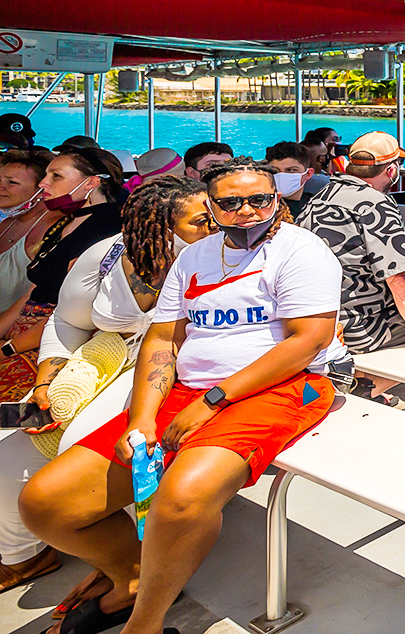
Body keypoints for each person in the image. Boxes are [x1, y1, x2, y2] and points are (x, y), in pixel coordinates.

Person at [19, 158, 345, 634]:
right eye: (231, 203)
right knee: (46, 504)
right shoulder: (194, 257)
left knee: (182, 495)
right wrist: (142, 418)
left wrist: (212, 400)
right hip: (189, 387)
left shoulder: (302, 252)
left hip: (284, 385)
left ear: (277, 199)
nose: (248, 211)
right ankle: (133, 579)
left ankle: (145, 624)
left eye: (260, 199)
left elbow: (308, 341)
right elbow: (162, 339)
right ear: (212, 207)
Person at [0, 175, 211, 592]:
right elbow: (66, 321)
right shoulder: (107, 256)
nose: (217, 226)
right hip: (105, 362)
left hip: (180, 373)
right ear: (160, 225)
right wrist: (47, 377)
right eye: (201, 221)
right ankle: (24, 556)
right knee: (7, 460)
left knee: (79, 449)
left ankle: (133, 564)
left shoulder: (225, 260)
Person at [0, 148, 127, 390]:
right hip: (25, 336)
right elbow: (33, 293)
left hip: (49, 341)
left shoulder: (106, 226)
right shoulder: (68, 221)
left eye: (55, 176)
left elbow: (72, 309)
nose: (43, 183)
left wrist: (10, 348)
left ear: (91, 182)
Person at [298, 132, 405, 357]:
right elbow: (401, 276)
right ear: (391, 171)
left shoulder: (320, 197)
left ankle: (376, 388)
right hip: (359, 330)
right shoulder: (375, 205)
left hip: (314, 324)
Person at [0, 150, 53, 309]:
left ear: (42, 190)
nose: (1, 186)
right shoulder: (7, 224)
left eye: (12, 182)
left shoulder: (49, 232)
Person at [263, 142, 327, 219]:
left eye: (291, 170)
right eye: (275, 171)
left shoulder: (318, 205)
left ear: (308, 174)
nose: (282, 175)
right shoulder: (262, 208)